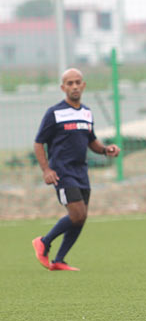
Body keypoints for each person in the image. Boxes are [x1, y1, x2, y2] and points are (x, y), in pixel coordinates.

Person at [31, 68, 121, 271]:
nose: (74, 86)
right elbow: (38, 143)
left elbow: (91, 141)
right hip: (62, 172)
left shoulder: (87, 112)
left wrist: (106, 150)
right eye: (69, 83)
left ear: (83, 85)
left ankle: (59, 260)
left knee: (81, 218)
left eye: (77, 82)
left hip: (81, 172)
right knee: (77, 214)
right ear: (63, 87)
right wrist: (46, 170)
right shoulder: (54, 112)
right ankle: (44, 242)